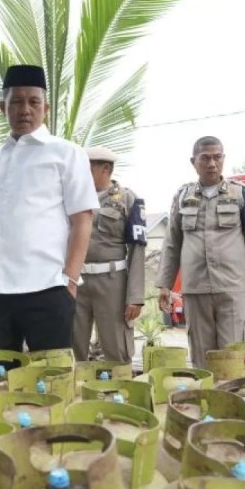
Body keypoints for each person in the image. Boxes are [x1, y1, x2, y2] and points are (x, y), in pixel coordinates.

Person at [0, 64, 98, 353]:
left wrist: (70, 280)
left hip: (47, 290)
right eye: (16, 101)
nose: (25, 109)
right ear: (3, 107)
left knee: (49, 384)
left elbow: (82, 220)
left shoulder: (65, 154)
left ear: (45, 108)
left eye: (33, 102)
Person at [156, 136, 245, 368]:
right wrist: (164, 284)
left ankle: (233, 399)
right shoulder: (182, 196)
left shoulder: (240, 194)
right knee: (202, 353)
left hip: (231, 287)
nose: (212, 164)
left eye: (217, 157)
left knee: (233, 353)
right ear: (193, 161)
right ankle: (207, 398)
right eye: (205, 158)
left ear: (223, 159)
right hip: (195, 288)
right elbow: (172, 242)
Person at [71, 146, 146, 363]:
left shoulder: (127, 199)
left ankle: (119, 391)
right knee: (73, 348)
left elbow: (137, 249)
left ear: (106, 169)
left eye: (86, 168)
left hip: (112, 283)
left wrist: (135, 297)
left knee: (116, 348)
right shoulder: (72, 198)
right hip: (76, 282)